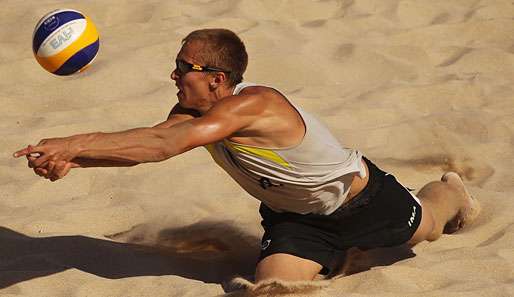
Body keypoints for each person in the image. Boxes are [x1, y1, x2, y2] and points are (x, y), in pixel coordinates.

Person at [13, 28, 480, 282]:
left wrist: (72, 143)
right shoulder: (190, 113)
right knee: (273, 287)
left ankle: (450, 190)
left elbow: (164, 145)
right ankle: (331, 255)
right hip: (297, 221)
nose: (173, 75)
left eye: (183, 68)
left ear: (217, 78)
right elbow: (148, 146)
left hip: (364, 201)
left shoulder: (255, 103)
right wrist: (78, 160)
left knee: (429, 227)